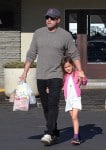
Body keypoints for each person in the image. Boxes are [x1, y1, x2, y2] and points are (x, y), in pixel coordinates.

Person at [20, 8, 85, 146]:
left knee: (53, 104)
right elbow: (31, 53)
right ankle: (54, 131)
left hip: (56, 75)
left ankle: (49, 133)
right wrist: (25, 72)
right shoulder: (38, 33)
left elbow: (74, 54)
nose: (48, 20)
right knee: (45, 106)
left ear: (58, 20)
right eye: (47, 17)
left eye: (52, 18)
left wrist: (80, 71)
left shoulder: (65, 35)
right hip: (41, 75)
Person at [61, 56, 87, 145]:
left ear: (72, 65)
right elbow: (61, 85)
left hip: (76, 98)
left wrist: (83, 77)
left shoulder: (77, 73)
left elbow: (84, 82)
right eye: (65, 67)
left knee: (74, 117)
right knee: (73, 119)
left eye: (69, 66)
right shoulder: (64, 76)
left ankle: (75, 137)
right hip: (68, 100)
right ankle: (77, 134)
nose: (67, 68)